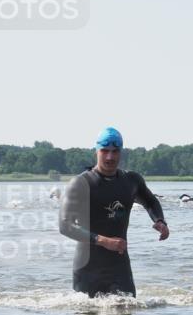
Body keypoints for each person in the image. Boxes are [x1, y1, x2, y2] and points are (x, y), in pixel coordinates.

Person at [59, 127, 169, 297]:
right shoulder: (80, 183)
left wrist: (160, 220)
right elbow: (65, 226)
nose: (110, 157)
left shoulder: (131, 181)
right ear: (96, 151)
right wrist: (103, 241)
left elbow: (150, 201)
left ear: (121, 152)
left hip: (119, 267)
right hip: (88, 269)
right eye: (105, 151)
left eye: (115, 151)